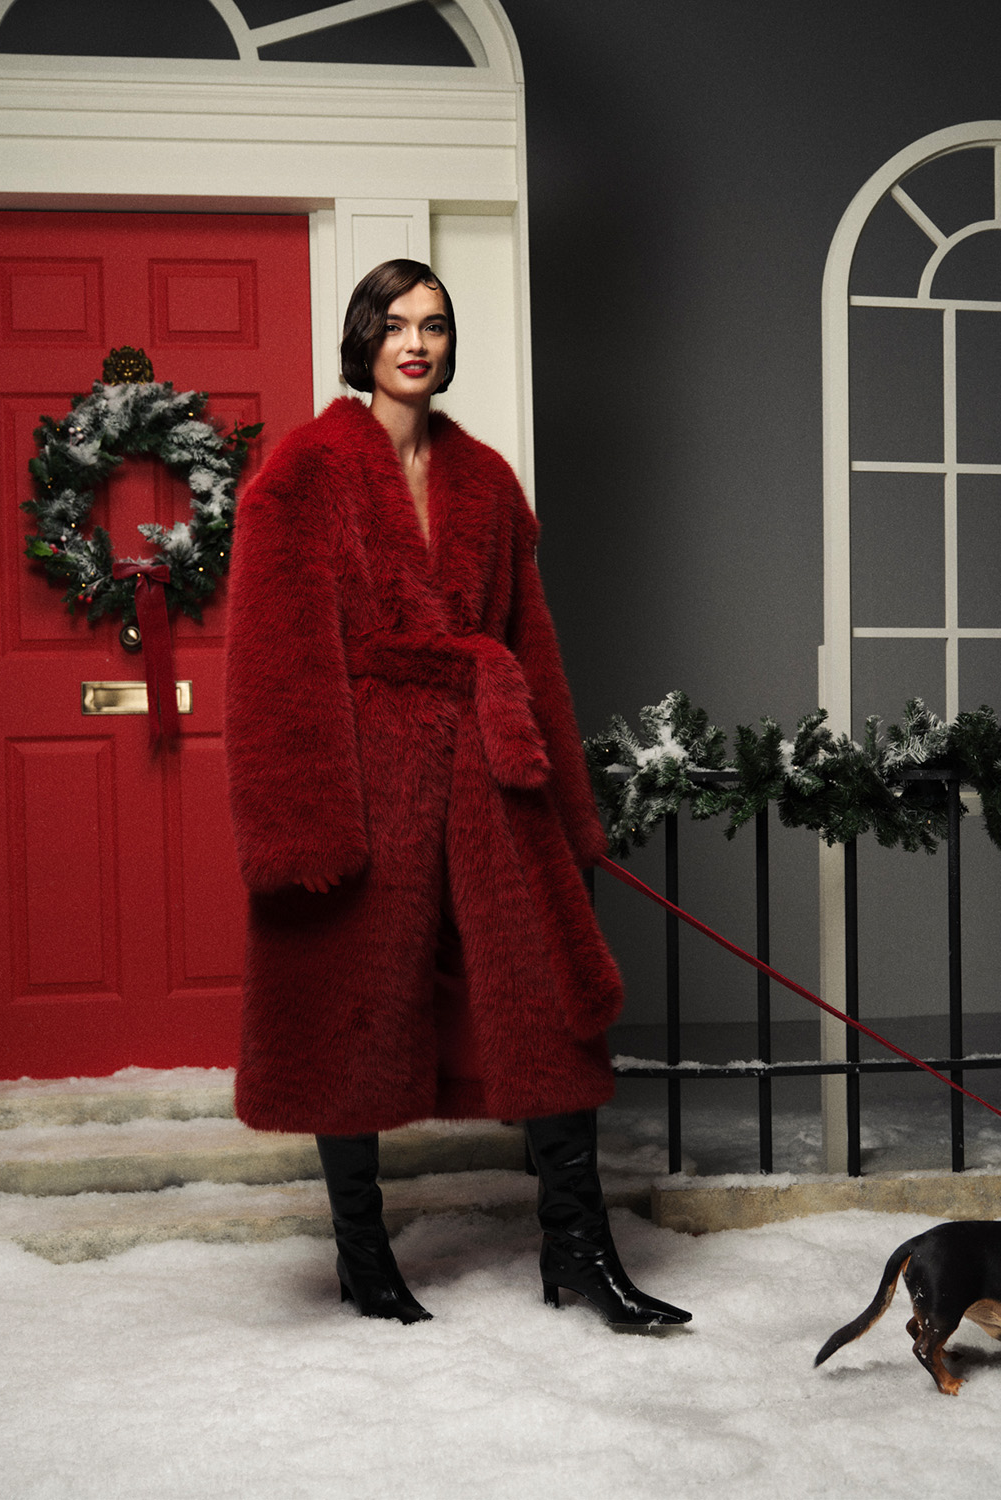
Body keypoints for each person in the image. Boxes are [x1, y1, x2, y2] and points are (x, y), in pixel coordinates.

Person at [223, 259, 689, 1332]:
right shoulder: (301, 473)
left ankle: (580, 1251)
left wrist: (569, 808)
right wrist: (303, 827)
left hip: (488, 771)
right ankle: (363, 1253)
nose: (416, 344)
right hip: (367, 775)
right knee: (353, 1011)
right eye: (395, 326)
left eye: (433, 325)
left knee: (545, 1005)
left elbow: (532, 648)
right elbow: (275, 666)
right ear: (365, 341)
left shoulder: (485, 479)